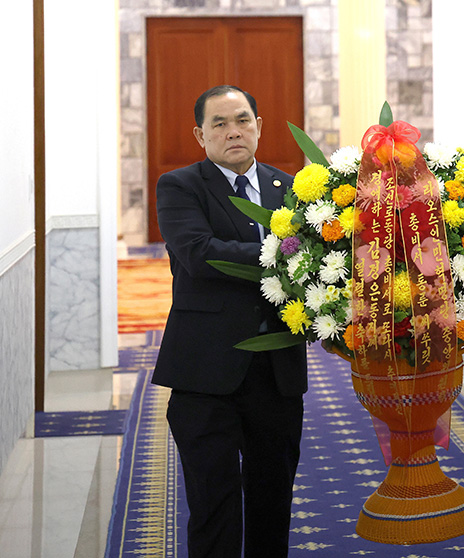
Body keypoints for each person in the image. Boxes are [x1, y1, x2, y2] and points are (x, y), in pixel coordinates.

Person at [153, 85, 307, 557]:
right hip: (205, 373)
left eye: (242, 120)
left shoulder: (294, 190)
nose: (233, 131)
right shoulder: (180, 186)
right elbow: (199, 255)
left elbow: (319, 267)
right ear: (200, 135)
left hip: (276, 375)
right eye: (219, 123)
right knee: (213, 505)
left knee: (272, 501)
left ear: (259, 127)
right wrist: (283, 252)